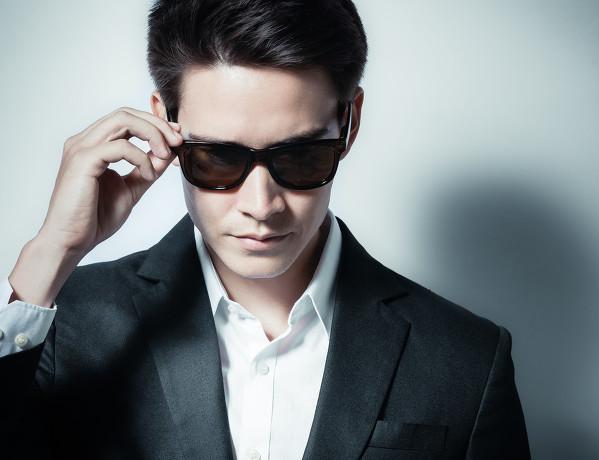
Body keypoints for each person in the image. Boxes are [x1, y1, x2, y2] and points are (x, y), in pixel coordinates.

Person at [0, 0, 530, 458]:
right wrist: (50, 252)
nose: (261, 205)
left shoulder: (466, 359)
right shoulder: (62, 327)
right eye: (217, 157)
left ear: (350, 124)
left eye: (299, 156)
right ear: (164, 122)